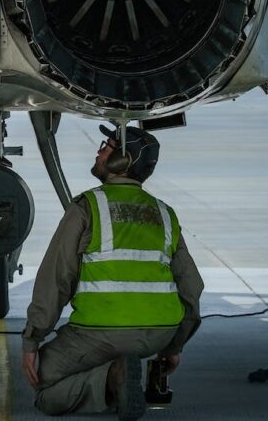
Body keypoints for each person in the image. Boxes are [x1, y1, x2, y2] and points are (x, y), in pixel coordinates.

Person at [22, 124, 203, 420]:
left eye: (106, 147)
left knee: (44, 385)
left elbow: (57, 279)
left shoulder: (88, 206)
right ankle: (129, 371)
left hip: (100, 333)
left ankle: (113, 377)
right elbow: (191, 287)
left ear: (123, 161)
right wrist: (175, 344)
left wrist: (32, 339)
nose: (99, 151)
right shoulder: (165, 213)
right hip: (159, 333)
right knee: (122, 350)